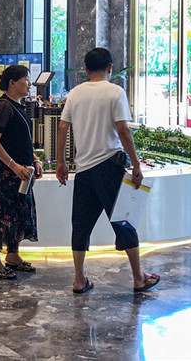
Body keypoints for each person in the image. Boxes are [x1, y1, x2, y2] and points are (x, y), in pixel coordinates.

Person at [55, 48, 160, 294]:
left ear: (86, 69)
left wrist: (61, 162)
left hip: (84, 170)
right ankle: (139, 278)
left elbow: (62, 127)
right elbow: (123, 130)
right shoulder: (115, 92)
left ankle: (79, 280)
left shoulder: (75, 93)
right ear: (110, 68)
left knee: (80, 225)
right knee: (124, 221)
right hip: (109, 167)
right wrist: (136, 163)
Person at [0, 65, 44, 279]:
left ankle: (13, 256)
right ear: (12, 83)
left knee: (17, 213)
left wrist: (35, 160)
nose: (29, 84)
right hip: (7, 174)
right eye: (26, 79)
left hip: (21, 172)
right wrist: (14, 166)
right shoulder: (4, 107)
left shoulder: (17, 106)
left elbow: (20, 141)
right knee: (1, 215)